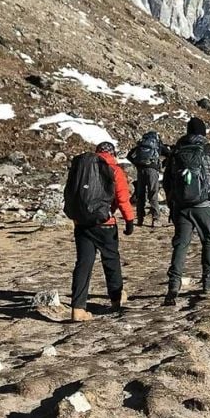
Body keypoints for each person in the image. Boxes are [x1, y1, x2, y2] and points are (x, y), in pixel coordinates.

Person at [63, 141, 135, 321]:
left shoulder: (84, 168)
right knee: (111, 260)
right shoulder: (115, 170)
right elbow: (123, 199)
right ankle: (116, 299)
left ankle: (78, 308)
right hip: (105, 223)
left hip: (82, 223)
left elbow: (71, 193)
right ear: (113, 154)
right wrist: (129, 220)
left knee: (83, 263)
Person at [163, 117, 210, 305]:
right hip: (204, 205)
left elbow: (167, 180)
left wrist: (172, 200)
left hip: (181, 206)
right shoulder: (209, 150)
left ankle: (173, 286)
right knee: (208, 241)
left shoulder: (176, 151)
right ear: (203, 133)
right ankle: (208, 283)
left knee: (181, 244)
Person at [127, 131, 165, 227]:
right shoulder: (157, 145)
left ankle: (140, 219)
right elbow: (169, 154)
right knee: (153, 194)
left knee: (140, 194)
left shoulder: (141, 146)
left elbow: (129, 155)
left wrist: (138, 164)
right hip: (152, 171)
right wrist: (161, 165)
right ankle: (155, 218)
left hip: (141, 171)